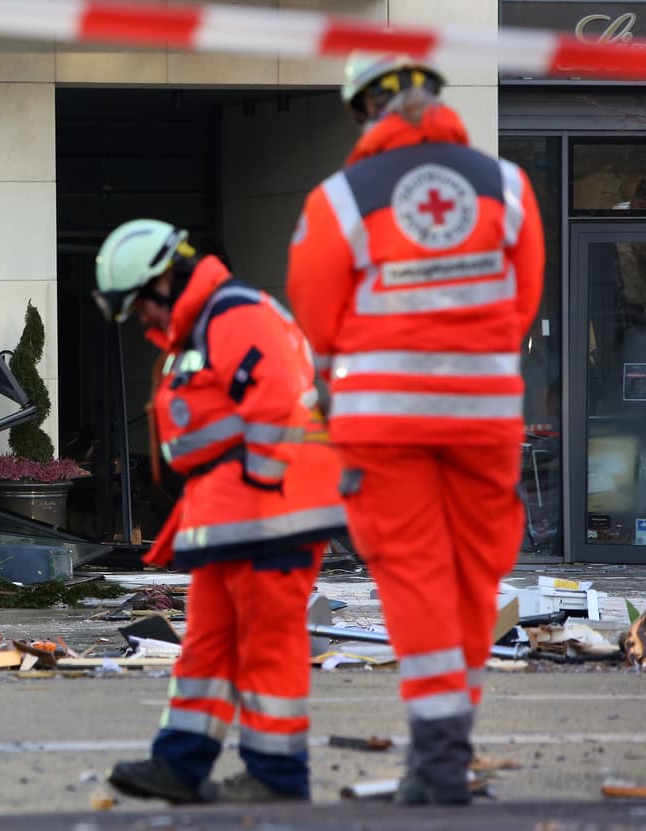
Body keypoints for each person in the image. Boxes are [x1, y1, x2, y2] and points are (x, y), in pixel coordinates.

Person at [286, 54, 545, 805]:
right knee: (472, 575)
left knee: (414, 575)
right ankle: (444, 748)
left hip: (383, 424)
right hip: (484, 419)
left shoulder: (341, 197)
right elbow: (523, 299)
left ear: (365, 110)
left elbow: (315, 311)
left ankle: (437, 758)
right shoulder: (508, 185)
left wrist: (341, 379)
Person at [93, 219, 346, 804]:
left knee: (267, 646)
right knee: (209, 643)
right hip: (236, 521)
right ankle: (179, 766)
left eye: (139, 304)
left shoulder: (235, 316)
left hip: (270, 522)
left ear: (164, 280)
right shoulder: (207, 325)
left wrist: (256, 491)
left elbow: (279, 402)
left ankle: (277, 778)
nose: (142, 319)